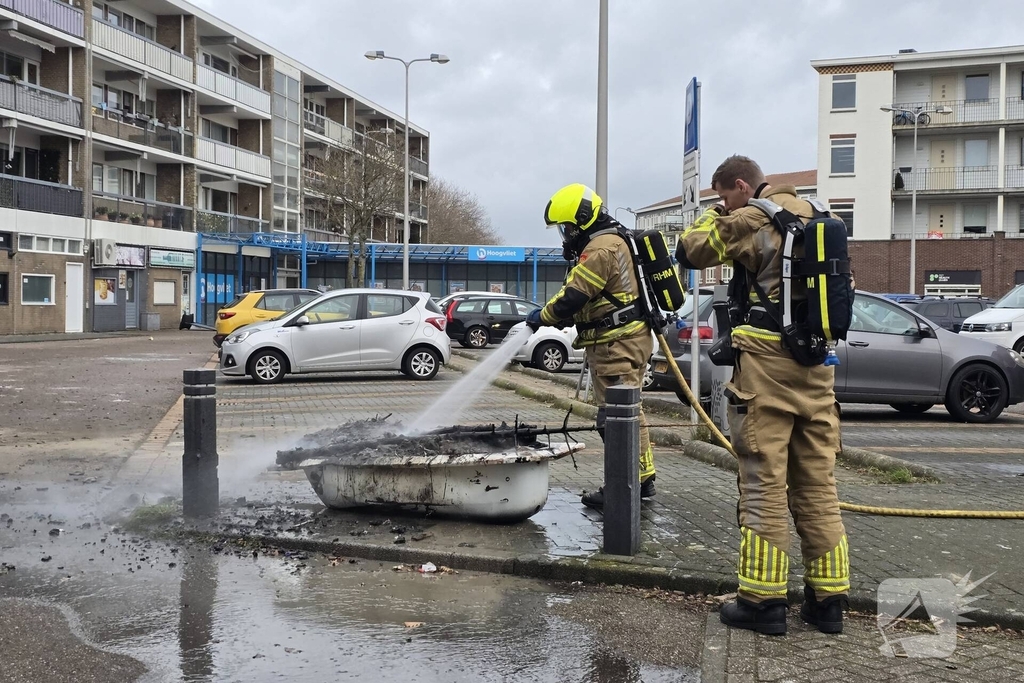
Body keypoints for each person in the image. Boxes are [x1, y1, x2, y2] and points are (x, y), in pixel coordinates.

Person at [675, 156, 849, 635]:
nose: (722, 206)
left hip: (767, 369)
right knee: (818, 486)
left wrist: (716, 216)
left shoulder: (756, 216)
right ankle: (828, 603)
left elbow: (689, 251)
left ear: (739, 186)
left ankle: (763, 603)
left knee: (763, 482)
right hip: (817, 370)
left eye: (722, 197)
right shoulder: (822, 215)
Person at [526, 183, 656, 509]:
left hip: (617, 344)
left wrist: (539, 317)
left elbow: (575, 294)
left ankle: (625, 486)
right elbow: (596, 299)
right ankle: (642, 477)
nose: (566, 235)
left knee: (614, 418)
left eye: (568, 228)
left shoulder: (601, 249)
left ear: (583, 219)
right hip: (623, 338)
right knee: (629, 414)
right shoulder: (613, 241)